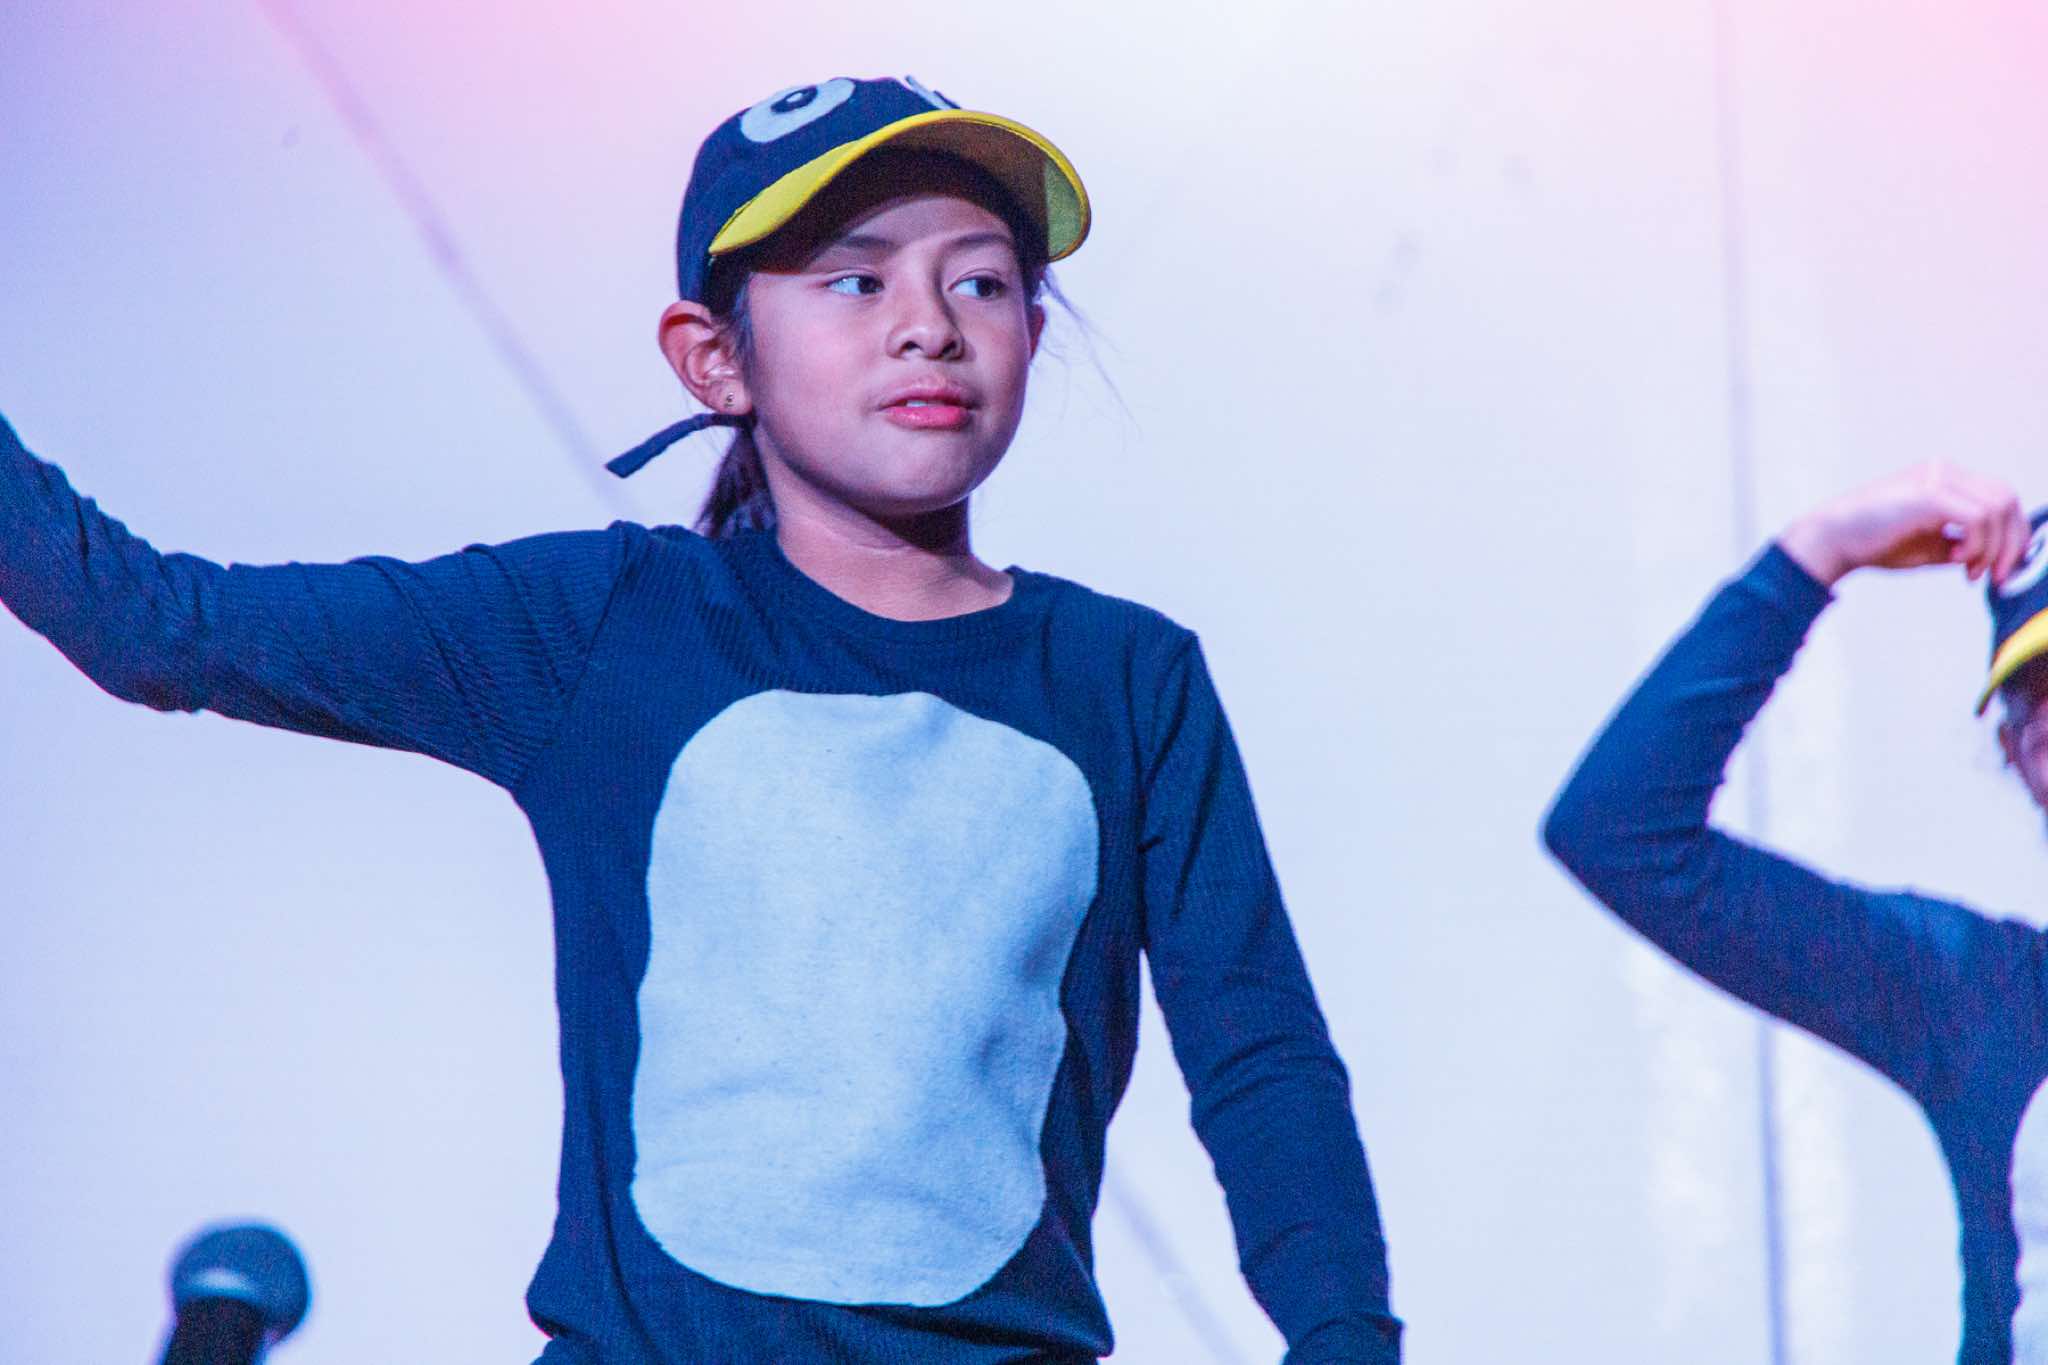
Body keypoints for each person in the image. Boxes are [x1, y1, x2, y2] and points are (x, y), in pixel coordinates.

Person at [0, 76, 1399, 1364]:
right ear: (713, 360)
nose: (929, 324)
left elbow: (1259, 1056)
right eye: (855, 279)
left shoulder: (1126, 679)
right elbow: (155, 623)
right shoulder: (607, 624)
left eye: (980, 280)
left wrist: (1343, 1337)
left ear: (1030, 335)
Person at [1543, 461, 2048, 1364]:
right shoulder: (1980, 992)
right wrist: (1820, 550)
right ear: (2014, 753)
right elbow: (1620, 833)